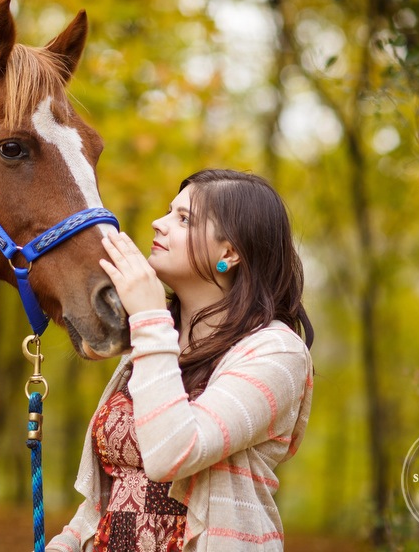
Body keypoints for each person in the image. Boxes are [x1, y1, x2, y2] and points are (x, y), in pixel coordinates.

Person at [46, 169, 315, 552]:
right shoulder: (156, 340)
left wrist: (150, 320)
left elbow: (173, 452)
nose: (159, 223)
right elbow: (114, 494)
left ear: (229, 253)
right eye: (168, 211)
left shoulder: (276, 353)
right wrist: (66, 544)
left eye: (184, 218)